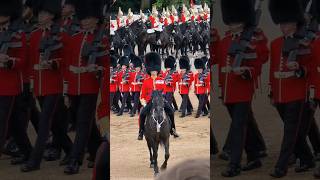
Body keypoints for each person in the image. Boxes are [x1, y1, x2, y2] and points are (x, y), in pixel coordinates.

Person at [217, 0, 269, 177]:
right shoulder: (224, 40)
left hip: (243, 88)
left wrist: (247, 72)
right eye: (231, 20)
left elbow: (259, 61)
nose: (233, 23)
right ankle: (254, 157)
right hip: (228, 91)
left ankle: (234, 165)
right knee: (244, 124)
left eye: (236, 20)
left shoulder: (251, 38)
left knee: (238, 127)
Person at [269, 0, 315, 177]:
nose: (284, 27)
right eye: (282, 23)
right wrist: (272, 93)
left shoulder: (305, 42)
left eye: (287, 23)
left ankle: (281, 167)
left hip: (297, 93)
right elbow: (274, 70)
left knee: (289, 133)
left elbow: (311, 69)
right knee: (294, 132)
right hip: (280, 94)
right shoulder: (275, 44)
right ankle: (308, 159)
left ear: (296, 23)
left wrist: (300, 69)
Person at [63, 0, 107, 174]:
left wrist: (98, 69)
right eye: (84, 18)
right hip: (74, 87)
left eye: (89, 18)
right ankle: (96, 152)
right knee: (84, 122)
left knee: (82, 122)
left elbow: (107, 64)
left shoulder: (102, 39)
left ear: (96, 19)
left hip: (90, 86)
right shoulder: (75, 38)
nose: (85, 21)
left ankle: (75, 160)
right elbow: (68, 64)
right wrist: (66, 90)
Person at [0, 0, 28, 160]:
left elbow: (22, 60)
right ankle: (28, 152)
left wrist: (8, 61)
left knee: (2, 121)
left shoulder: (18, 35)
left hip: (9, 85)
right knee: (15, 123)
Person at [138, 52, 179, 140]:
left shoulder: (162, 80)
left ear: (157, 70)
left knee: (171, 111)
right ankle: (141, 131)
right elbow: (142, 95)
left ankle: (173, 129)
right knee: (142, 114)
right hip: (149, 102)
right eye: (152, 71)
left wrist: (162, 98)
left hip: (161, 101)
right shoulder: (146, 81)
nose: (153, 72)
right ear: (149, 70)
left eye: (155, 70)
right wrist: (144, 103)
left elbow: (164, 90)